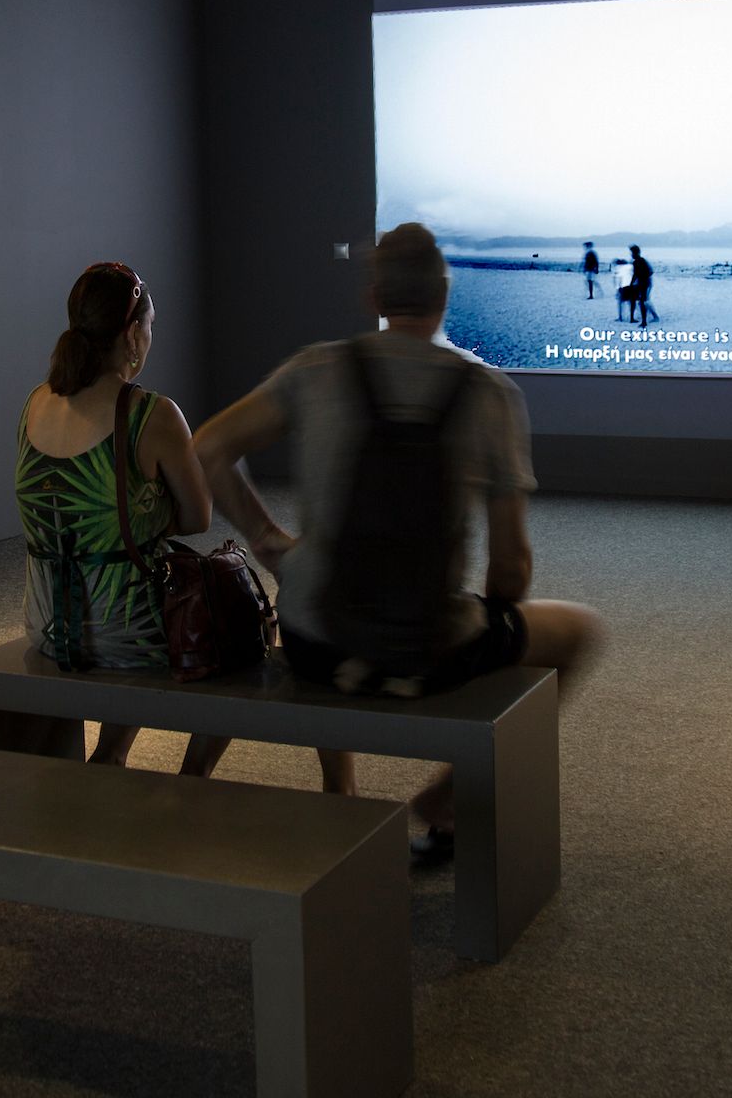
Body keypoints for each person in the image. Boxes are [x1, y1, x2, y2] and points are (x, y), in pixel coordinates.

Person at [194, 222, 602, 860]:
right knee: (579, 631)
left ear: (373, 298)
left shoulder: (315, 369)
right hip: (425, 652)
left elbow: (209, 449)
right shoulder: (490, 393)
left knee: (319, 582)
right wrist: (481, 607)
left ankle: (343, 790)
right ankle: (446, 799)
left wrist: (269, 541)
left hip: (312, 644)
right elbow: (512, 574)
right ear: (444, 295)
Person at [14, 261, 228, 776]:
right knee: (244, 626)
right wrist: (142, 514)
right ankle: (192, 779)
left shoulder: (35, 403)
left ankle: (111, 754)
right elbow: (199, 516)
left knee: (123, 580)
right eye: (150, 328)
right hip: (124, 632)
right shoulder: (151, 413)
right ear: (133, 334)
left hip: (46, 622)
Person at [630, 243, 656, 326]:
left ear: (637, 253)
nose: (631, 255)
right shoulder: (635, 262)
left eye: (632, 253)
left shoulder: (642, 261)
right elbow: (635, 274)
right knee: (641, 302)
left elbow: (650, 272)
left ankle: (644, 321)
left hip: (645, 284)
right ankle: (645, 320)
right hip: (640, 284)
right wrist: (631, 283)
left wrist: (644, 278)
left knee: (642, 302)